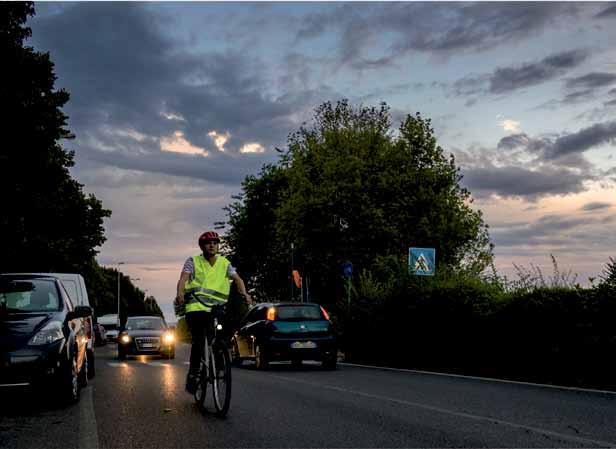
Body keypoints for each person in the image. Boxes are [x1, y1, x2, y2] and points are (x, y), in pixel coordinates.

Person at [176, 230, 252, 394]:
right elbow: (183, 278)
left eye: (215, 243)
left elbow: (237, 280)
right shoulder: (193, 261)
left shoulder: (224, 263)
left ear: (218, 246)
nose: (212, 245)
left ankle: (218, 359)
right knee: (198, 340)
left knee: (221, 335)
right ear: (202, 246)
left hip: (216, 308)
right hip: (196, 308)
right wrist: (180, 294)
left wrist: (244, 294)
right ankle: (194, 373)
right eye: (208, 243)